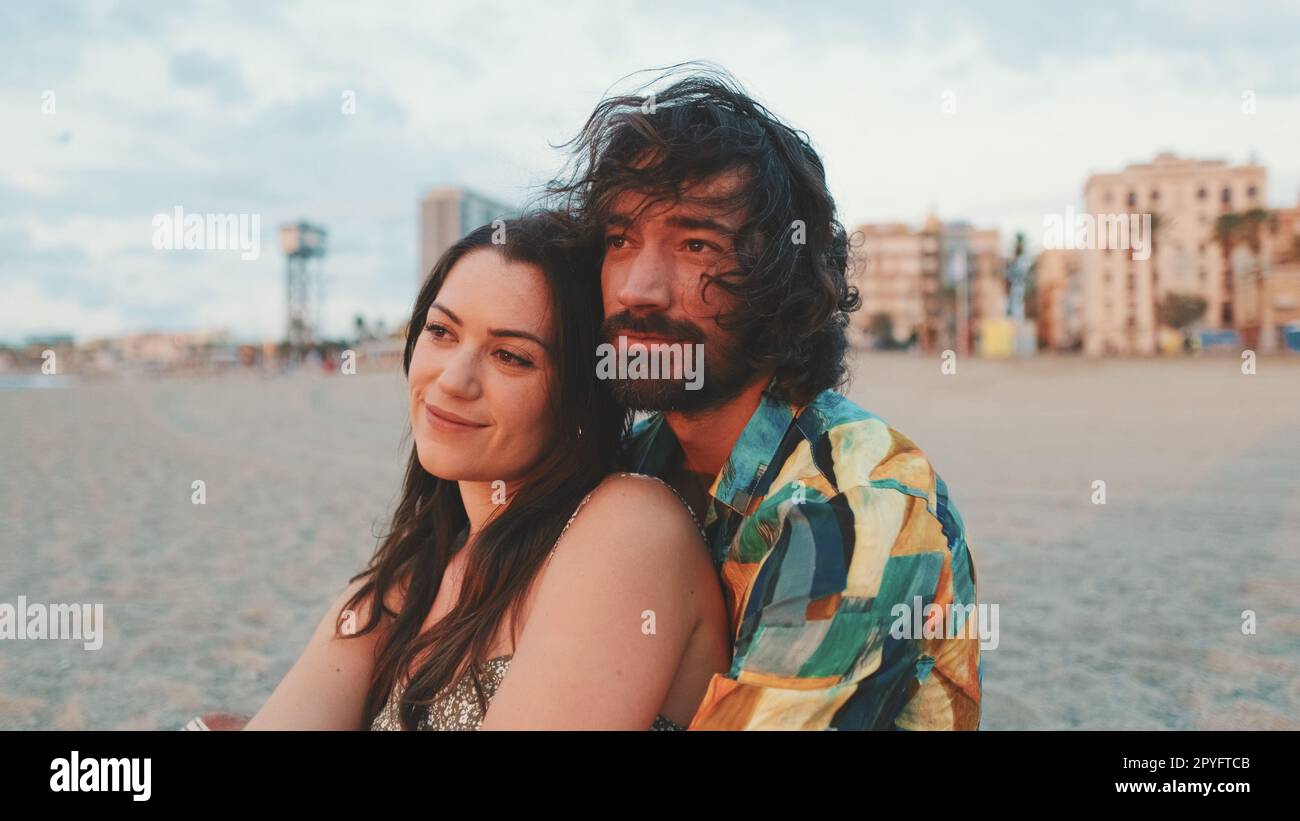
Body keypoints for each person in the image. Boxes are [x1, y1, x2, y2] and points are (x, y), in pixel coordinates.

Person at [547, 64, 982, 729]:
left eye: (695, 243)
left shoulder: (857, 504)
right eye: (619, 239)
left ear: (781, 278)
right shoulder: (636, 463)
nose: (637, 287)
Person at [238, 213, 731, 730]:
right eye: (441, 331)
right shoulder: (411, 578)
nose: (453, 380)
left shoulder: (629, 525)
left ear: (581, 399)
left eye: (511, 356)